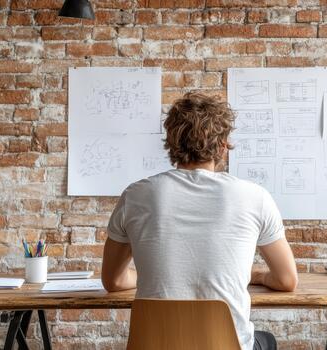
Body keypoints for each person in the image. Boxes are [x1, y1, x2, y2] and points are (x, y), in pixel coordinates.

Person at [101, 92, 298, 350]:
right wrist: (258, 276)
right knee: (267, 341)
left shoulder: (135, 196)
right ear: (222, 145)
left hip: (154, 345)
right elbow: (287, 280)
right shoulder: (255, 197)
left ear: (172, 142)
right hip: (227, 346)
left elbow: (113, 282)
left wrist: (161, 276)